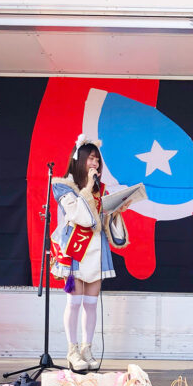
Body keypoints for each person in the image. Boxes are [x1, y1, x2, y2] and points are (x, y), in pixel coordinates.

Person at [50, 136, 131, 372]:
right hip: (76, 250)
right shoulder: (63, 186)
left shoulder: (101, 190)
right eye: (91, 159)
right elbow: (79, 216)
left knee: (91, 304)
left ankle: (87, 349)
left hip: (96, 250)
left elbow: (100, 221)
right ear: (80, 159)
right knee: (74, 302)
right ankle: (72, 350)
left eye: (97, 160)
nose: (95, 163)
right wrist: (87, 188)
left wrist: (116, 211)